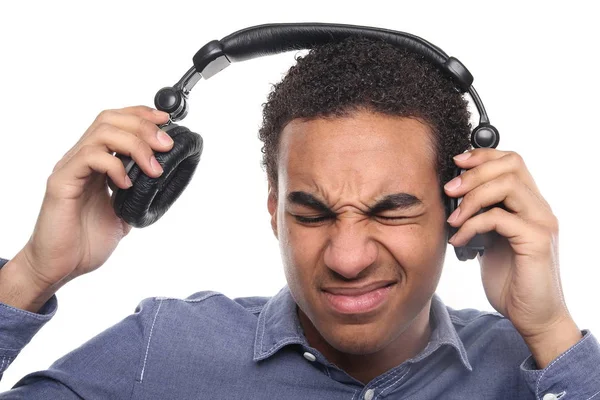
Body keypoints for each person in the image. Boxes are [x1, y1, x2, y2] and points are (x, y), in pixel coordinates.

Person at [0, 36, 598, 399]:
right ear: (272, 211)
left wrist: (550, 332)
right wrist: (30, 274)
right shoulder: (163, 346)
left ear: (460, 211)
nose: (347, 257)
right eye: (311, 215)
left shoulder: (535, 372)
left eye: (391, 213)